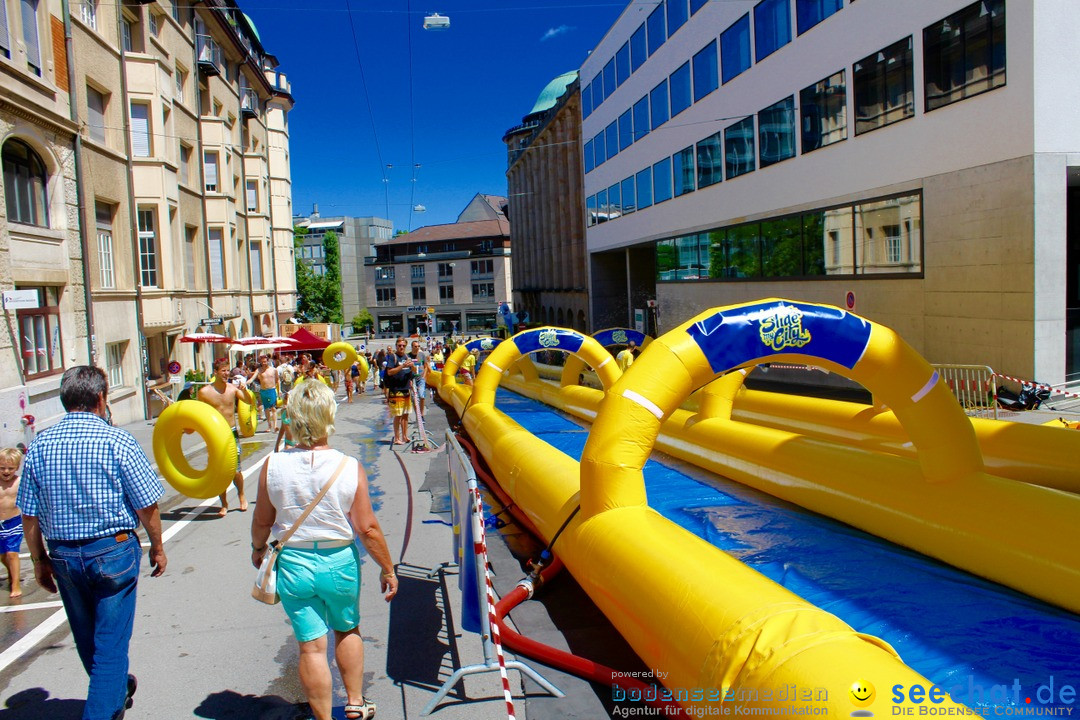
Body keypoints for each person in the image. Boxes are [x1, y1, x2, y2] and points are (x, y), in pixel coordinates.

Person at [18, 366, 166, 720]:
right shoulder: (117, 441)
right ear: (101, 398)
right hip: (112, 551)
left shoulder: (40, 444)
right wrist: (157, 547)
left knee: (87, 636)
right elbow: (147, 505)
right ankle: (106, 702)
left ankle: (113, 688)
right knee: (111, 646)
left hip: (65, 554)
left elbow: (28, 514)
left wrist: (39, 560)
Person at [250, 380, 397, 720]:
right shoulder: (348, 466)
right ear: (329, 415)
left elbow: (262, 520)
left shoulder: (273, 466)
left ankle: (323, 718)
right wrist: (387, 568)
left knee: (312, 647)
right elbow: (368, 528)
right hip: (339, 562)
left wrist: (258, 549)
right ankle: (356, 703)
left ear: (293, 416)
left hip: (294, 565)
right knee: (347, 629)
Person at [198, 358, 257, 517]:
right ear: (215, 372)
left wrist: (244, 390)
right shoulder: (204, 392)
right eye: (223, 370)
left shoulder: (232, 389)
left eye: (227, 370)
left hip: (231, 432)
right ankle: (224, 503)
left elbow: (249, 401)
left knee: (236, 470)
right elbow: (198, 412)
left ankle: (241, 495)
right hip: (215, 434)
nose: (226, 373)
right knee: (219, 471)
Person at [0, 447, 24, 598]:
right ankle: (11, 573)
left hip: (13, 523)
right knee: (2, 556)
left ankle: (15, 584)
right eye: (2, 468)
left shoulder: (19, 482)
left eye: (11, 468)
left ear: (17, 467)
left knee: (12, 553)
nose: (6, 471)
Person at [385, 338, 416, 445]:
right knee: (398, 415)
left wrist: (412, 367)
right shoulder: (393, 357)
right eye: (399, 345)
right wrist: (402, 365)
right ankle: (397, 437)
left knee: (406, 414)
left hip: (406, 389)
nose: (401, 347)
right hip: (396, 390)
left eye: (403, 345)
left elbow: (413, 373)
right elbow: (389, 372)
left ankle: (405, 436)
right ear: (396, 346)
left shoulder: (407, 357)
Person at [252, 355, 280, 433]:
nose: (264, 363)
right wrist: (246, 383)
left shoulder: (273, 370)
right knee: (266, 409)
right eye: (262, 362)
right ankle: (269, 425)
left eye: (265, 361)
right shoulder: (259, 370)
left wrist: (279, 390)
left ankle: (275, 426)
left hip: (271, 390)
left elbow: (278, 380)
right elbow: (252, 378)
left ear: (268, 361)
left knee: (273, 408)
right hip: (263, 391)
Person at [408, 339, 430, 417]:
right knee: (414, 399)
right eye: (415, 346)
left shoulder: (422, 355)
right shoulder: (408, 356)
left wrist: (424, 377)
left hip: (420, 378)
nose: (417, 347)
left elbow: (426, 366)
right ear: (412, 347)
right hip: (412, 378)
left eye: (418, 346)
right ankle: (418, 414)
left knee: (422, 396)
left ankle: (421, 414)